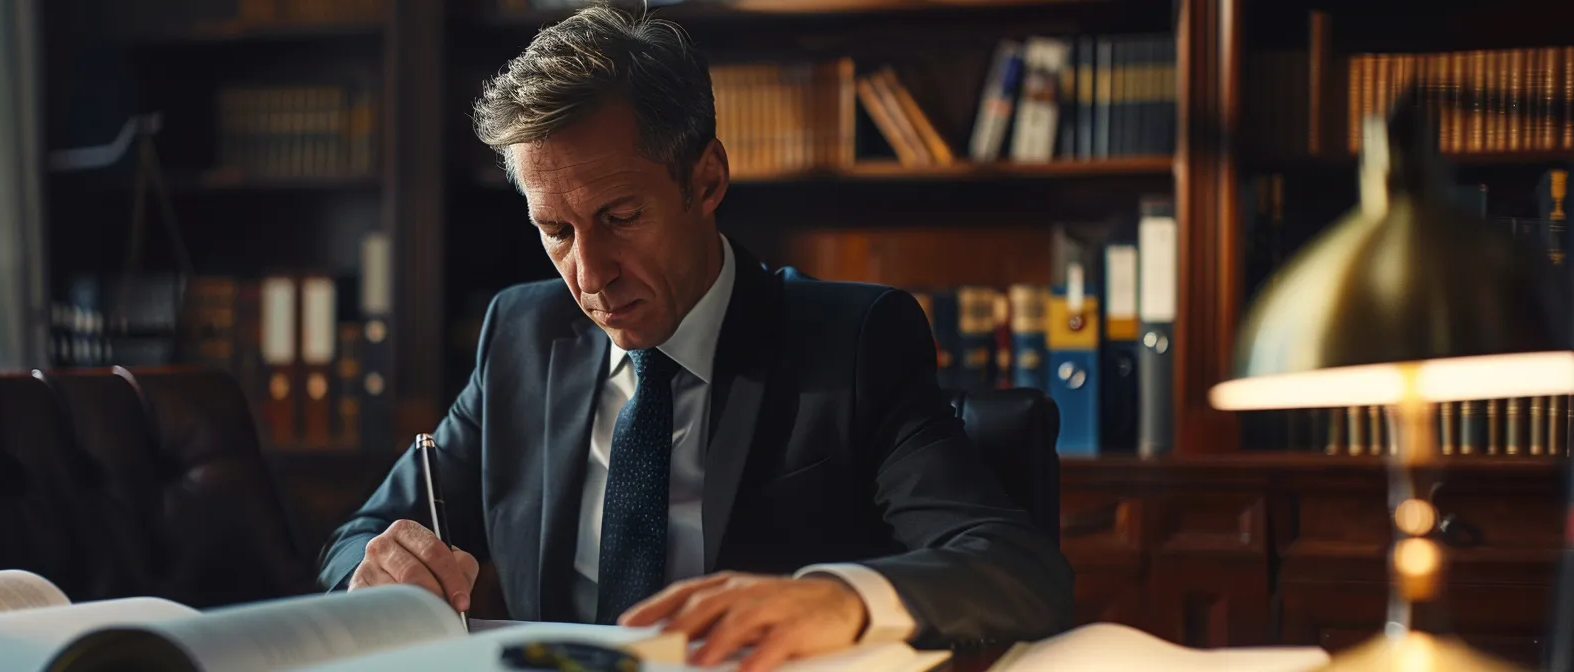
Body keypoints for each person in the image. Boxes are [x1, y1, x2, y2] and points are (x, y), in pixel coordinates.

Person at [316, 5, 1073, 670]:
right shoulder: (520, 333)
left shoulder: (850, 343)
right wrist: (376, 569)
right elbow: (360, 539)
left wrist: (841, 599)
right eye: (555, 231)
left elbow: (1017, 569)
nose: (590, 274)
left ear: (706, 180)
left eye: (620, 218)